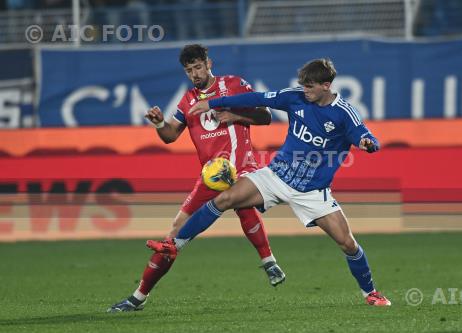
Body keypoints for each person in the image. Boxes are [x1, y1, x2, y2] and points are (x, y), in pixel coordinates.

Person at [147, 58, 392, 306]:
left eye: (310, 87)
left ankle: (370, 292)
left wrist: (368, 144)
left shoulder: (344, 113)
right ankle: (174, 245)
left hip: (312, 191)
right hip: (276, 176)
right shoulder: (295, 97)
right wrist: (212, 102)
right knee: (225, 198)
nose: (304, 91)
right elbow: (257, 99)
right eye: (303, 86)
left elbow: (364, 135)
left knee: (347, 243)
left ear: (326, 86)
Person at [107, 44, 285, 312]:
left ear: (209, 63)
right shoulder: (187, 100)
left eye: (198, 67)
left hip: (239, 168)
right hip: (209, 176)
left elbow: (266, 116)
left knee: (239, 200)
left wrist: (235, 114)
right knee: (172, 237)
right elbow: (170, 136)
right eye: (189, 70)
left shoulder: (234, 85)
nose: (194, 74)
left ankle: (269, 261)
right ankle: (138, 297)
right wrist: (158, 123)